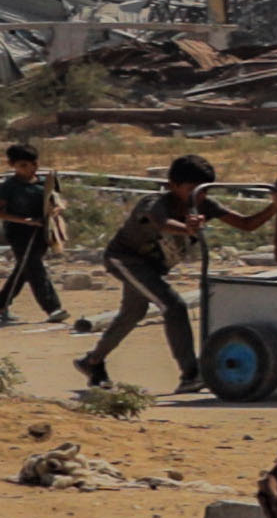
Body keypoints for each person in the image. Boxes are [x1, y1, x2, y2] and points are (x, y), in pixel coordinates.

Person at [78, 155, 262, 383]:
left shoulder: (204, 205)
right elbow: (161, 222)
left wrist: (276, 205)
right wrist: (187, 228)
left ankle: (92, 362)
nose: (199, 196)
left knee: (133, 313)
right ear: (173, 185)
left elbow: (247, 224)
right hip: (125, 260)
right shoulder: (154, 203)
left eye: (203, 191)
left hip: (152, 269)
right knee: (173, 305)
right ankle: (190, 373)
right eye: (192, 189)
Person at [0, 139, 59, 324]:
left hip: (42, 233)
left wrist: (57, 209)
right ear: (13, 165)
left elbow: (57, 201)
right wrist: (25, 221)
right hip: (19, 234)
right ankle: (53, 308)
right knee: (35, 269)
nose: (30, 168)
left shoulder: (45, 183)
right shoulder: (8, 187)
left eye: (33, 164)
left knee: (24, 269)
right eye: (23, 165)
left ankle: (1, 304)